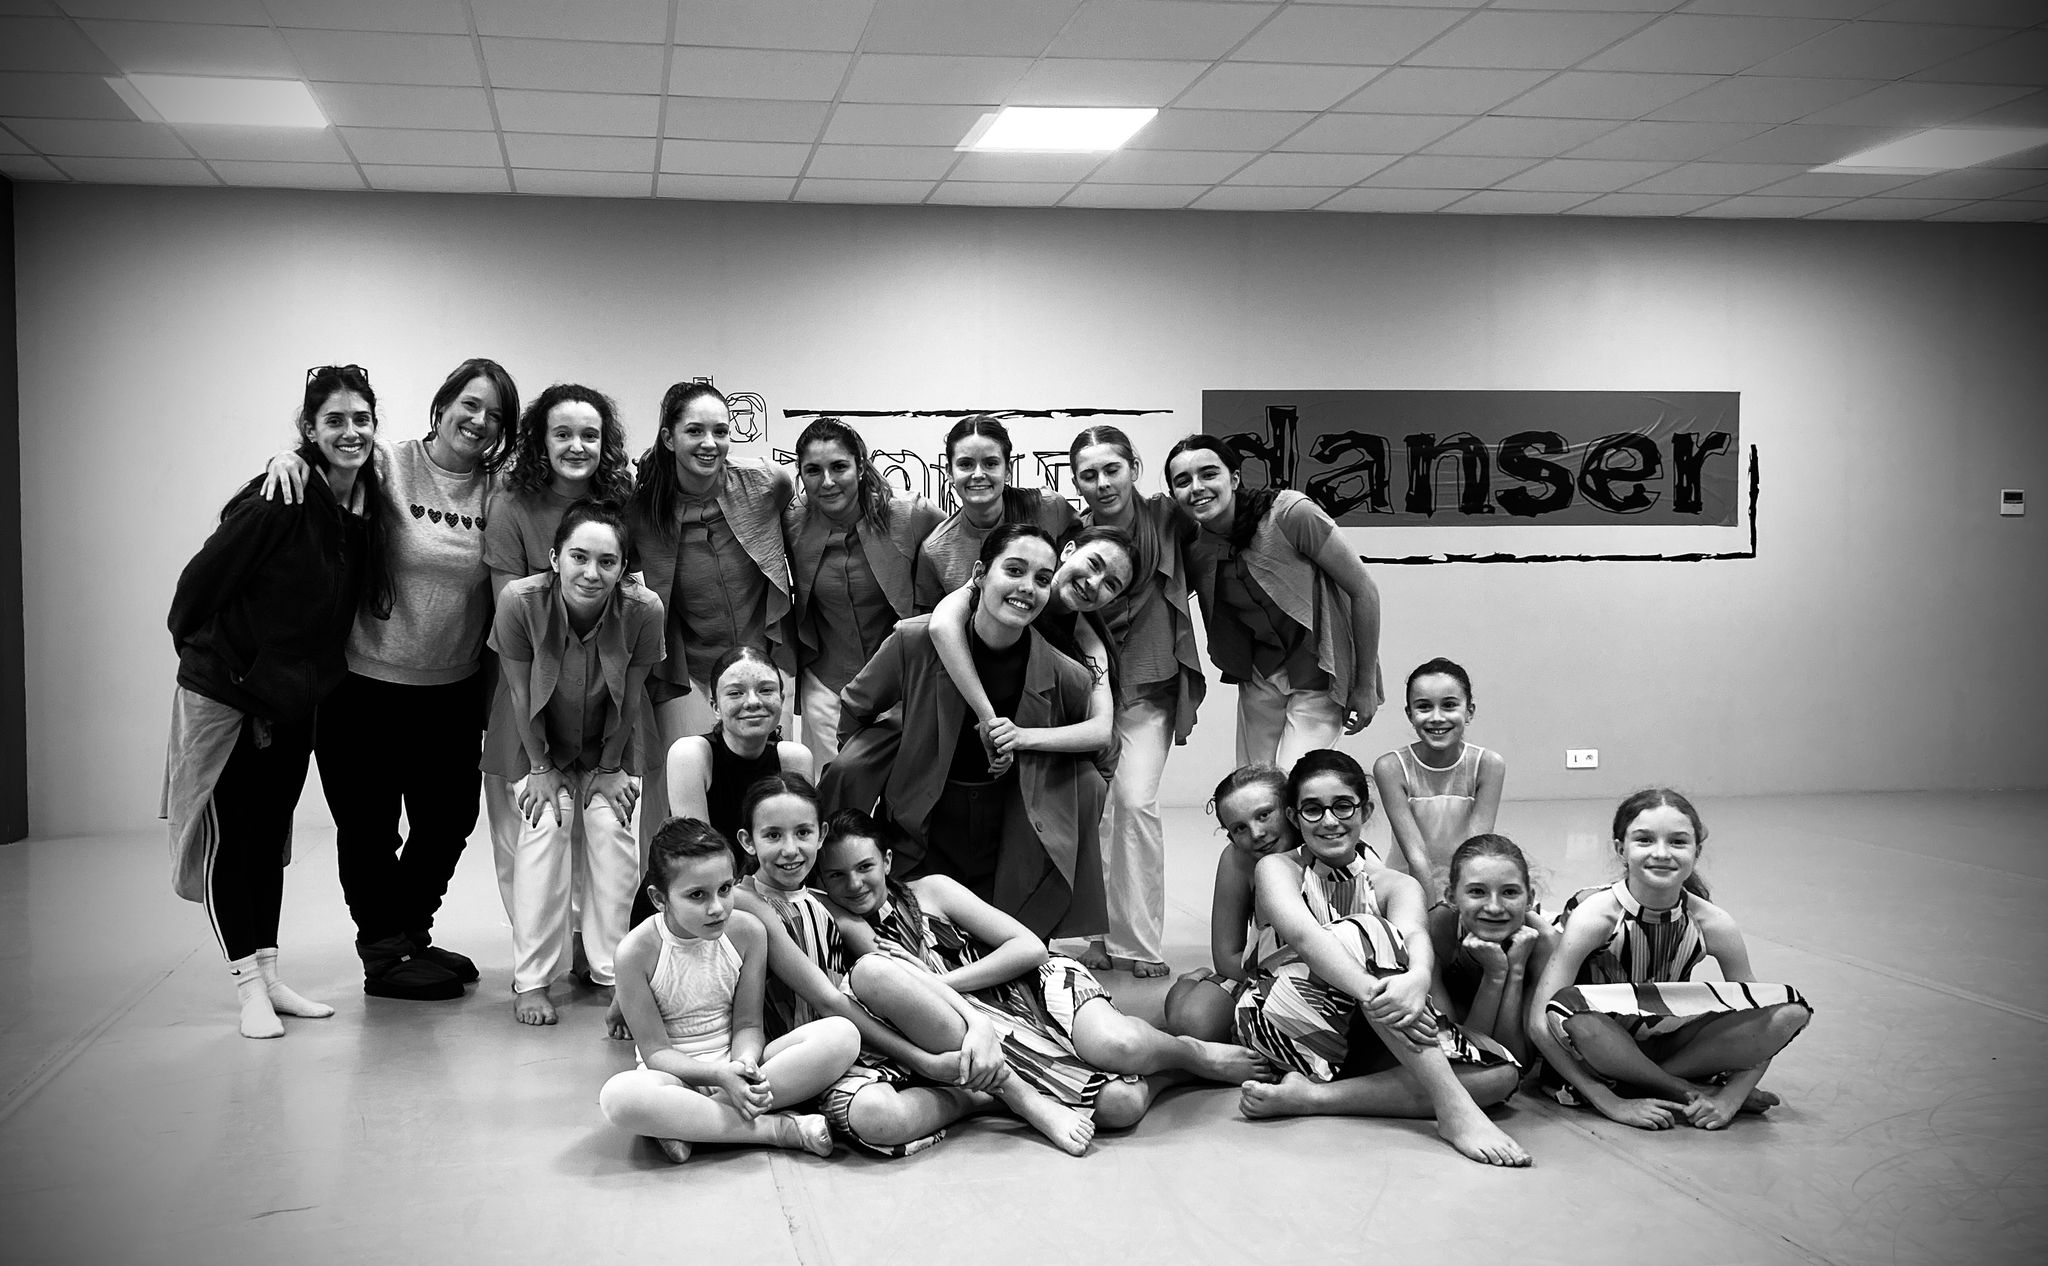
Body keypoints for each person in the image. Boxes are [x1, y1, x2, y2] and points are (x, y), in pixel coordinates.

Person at [264, 356, 519, 999]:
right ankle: (385, 953)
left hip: (452, 688)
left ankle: (407, 933)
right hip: (361, 686)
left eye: (494, 414)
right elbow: (326, 460)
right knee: (370, 827)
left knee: (449, 821)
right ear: (443, 405)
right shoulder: (386, 465)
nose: (479, 420)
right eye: (469, 404)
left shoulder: (501, 491)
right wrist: (286, 459)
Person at [164, 364, 391, 1037]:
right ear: (309, 430)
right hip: (230, 695)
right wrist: (228, 668)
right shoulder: (278, 498)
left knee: (268, 840)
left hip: (293, 702)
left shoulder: (364, 504)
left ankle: (269, 975)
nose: (350, 432)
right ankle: (246, 988)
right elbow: (193, 592)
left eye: (360, 420)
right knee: (231, 842)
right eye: (334, 421)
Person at [816, 818, 1272, 1151]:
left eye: (864, 866)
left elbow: (1029, 948)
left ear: (887, 861)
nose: (854, 884)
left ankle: (1193, 1053)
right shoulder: (843, 922)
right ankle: (1173, 1075)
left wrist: (945, 980)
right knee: (1121, 1105)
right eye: (836, 875)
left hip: (1032, 985)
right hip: (978, 1026)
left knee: (1120, 1045)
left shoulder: (932, 890)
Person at [1232, 751, 1529, 1167]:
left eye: (1343, 806)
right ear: (1295, 818)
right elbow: (1306, 938)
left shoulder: (1396, 884)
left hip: (1372, 1031)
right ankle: (1454, 1110)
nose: (1329, 821)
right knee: (1367, 930)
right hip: (1288, 1023)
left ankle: (1313, 1098)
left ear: (1365, 811)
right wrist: (1379, 993)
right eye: (1313, 809)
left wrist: (1418, 979)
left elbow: (1416, 935)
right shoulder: (1277, 868)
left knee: (1501, 1073)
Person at [832, 525, 1112, 940]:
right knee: (914, 948)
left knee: (1004, 949)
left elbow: (1099, 759)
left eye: (1041, 579)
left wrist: (1058, 803)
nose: (1027, 587)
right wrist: (875, 763)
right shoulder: (914, 641)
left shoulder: (1067, 675)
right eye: (1014, 570)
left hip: (1008, 832)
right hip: (923, 824)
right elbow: (857, 707)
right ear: (979, 573)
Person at [732, 782, 1016, 1158]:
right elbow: (829, 1001)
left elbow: (897, 969)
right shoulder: (745, 900)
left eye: (802, 833)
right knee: (878, 1114)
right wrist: (924, 1062)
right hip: (796, 1057)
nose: (790, 849)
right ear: (748, 841)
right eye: (773, 835)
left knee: (878, 981)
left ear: (821, 835)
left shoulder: (821, 902)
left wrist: (977, 1021)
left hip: (855, 1046)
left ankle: (1012, 1092)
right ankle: (978, 1099)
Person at [1529, 789, 1812, 1131]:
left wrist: (1730, 1099)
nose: (1661, 853)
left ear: (1697, 851)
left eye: (1678, 842)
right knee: (1574, 1015)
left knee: (1789, 1011)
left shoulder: (1712, 923)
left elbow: (1759, 1011)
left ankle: (1643, 1081)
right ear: (1620, 849)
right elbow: (1540, 1022)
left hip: (1670, 1046)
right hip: (1601, 1045)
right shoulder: (1595, 916)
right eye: (1644, 840)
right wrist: (1611, 1103)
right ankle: (1681, 1089)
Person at [480, 384, 637, 992]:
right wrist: (541, 758)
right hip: (528, 688)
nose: (577, 446)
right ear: (539, 440)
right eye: (562, 433)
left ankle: (598, 957)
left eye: (590, 435)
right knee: (534, 832)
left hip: (603, 693)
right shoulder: (511, 504)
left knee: (603, 830)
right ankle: (537, 963)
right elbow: (512, 618)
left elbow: (628, 603)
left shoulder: (621, 501)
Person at [483, 499, 664, 1026]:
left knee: (612, 828)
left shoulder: (644, 608)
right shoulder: (519, 601)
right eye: (579, 557)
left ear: (623, 568)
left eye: (607, 562)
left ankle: (615, 975)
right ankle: (533, 980)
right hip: (533, 737)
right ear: (554, 558)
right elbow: (520, 692)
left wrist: (608, 768)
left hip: (611, 738)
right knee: (546, 826)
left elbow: (632, 695)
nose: (591, 572)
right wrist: (541, 769)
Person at [596, 818, 860, 1163]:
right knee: (619, 1097)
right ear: (660, 899)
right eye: (697, 895)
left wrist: (743, 1067)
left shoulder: (748, 932)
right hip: (673, 1076)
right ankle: (778, 1130)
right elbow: (656, 1052)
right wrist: (718, 1076)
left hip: (737, 1061)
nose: (717, 907)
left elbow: (748, 1024)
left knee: (842, 1034)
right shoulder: (635, 952)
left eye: (724, 889)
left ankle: (692, 1125)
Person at [627, 382, 795, 856]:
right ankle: (661, 891)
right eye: (695, 431)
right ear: (668, 438)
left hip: (763, 663)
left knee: (771, 796)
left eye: (720, 431)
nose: (710, 443)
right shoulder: (643, 509)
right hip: (688, 672)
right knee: (674, 799)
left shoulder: (766, 482)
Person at [1066, 425, 1206, 977]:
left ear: (1134, 468)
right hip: (1091, 691)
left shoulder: (1168, 517)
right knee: (1092, 812)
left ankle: (1139, 942)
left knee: (1135, 803)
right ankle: (1094, 937)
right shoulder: (1075, 535)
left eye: (1112, 469)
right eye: (1088, 474)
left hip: (1151, 687)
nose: (1102, 483)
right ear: (1076, 480)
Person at [1164, 434, 1383, 769]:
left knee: (1295, 779)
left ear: (1234, 478)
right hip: (1260, 677)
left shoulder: (1291, 514)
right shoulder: (1196, 549)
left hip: (1319, 673)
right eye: (1183, 481)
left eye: (1209, 474)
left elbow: (1364, 590)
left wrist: (1365, 686)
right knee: (1255, 783)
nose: (1197, 487)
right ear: (1174, 495)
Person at [783, 417, 942, 768]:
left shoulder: (910, 513)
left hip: (900, 687)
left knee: (901, 789)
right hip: (825, 688)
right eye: (813, 470)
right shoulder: (792, 521)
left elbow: (955, 546)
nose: (827, 481)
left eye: (839, 466)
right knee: (829, 788)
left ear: (860, 466)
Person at [1163, 764, 1295, 1044]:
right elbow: (1226, 956)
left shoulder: (1328, 843)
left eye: (1264, 815)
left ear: (1290, 808)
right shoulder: (1237, 858)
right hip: (1261, 974)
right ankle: (1190, 981)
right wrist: (1280, 986)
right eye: (1240, 828)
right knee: (1194, 1023)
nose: (1256, 833)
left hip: (1328, 977)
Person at [912, 415, 1078, 612]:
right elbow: (928, 620)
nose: (978, 475)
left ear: (1008, 470)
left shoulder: (1050, 508)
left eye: (990, 463)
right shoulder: (934, 550)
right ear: (949, 472)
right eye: (965, 464)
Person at [1374, 658, 1505, 888]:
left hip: (1465, 881)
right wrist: (1429, 906)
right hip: (1406, 884)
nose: (1436, 717)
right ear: (1410, 714)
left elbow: (1474, 853)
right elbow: (1416, 857)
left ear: (1469, 712)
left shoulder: (1489, 765)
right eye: (1424, 707)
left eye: (1449, 705)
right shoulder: (1390, 768)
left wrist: (1458, 901)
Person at [1425, 834, 1554, 1066]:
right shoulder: (1434, 935)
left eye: (1509, 892)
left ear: (1530, 898)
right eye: (1477, 891)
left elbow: (1518, 1060)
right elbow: (1458, 1054)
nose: (1494, 907)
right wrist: (1494, 976)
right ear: (1451, 897)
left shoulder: (1545, 943)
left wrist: (1515, 971)